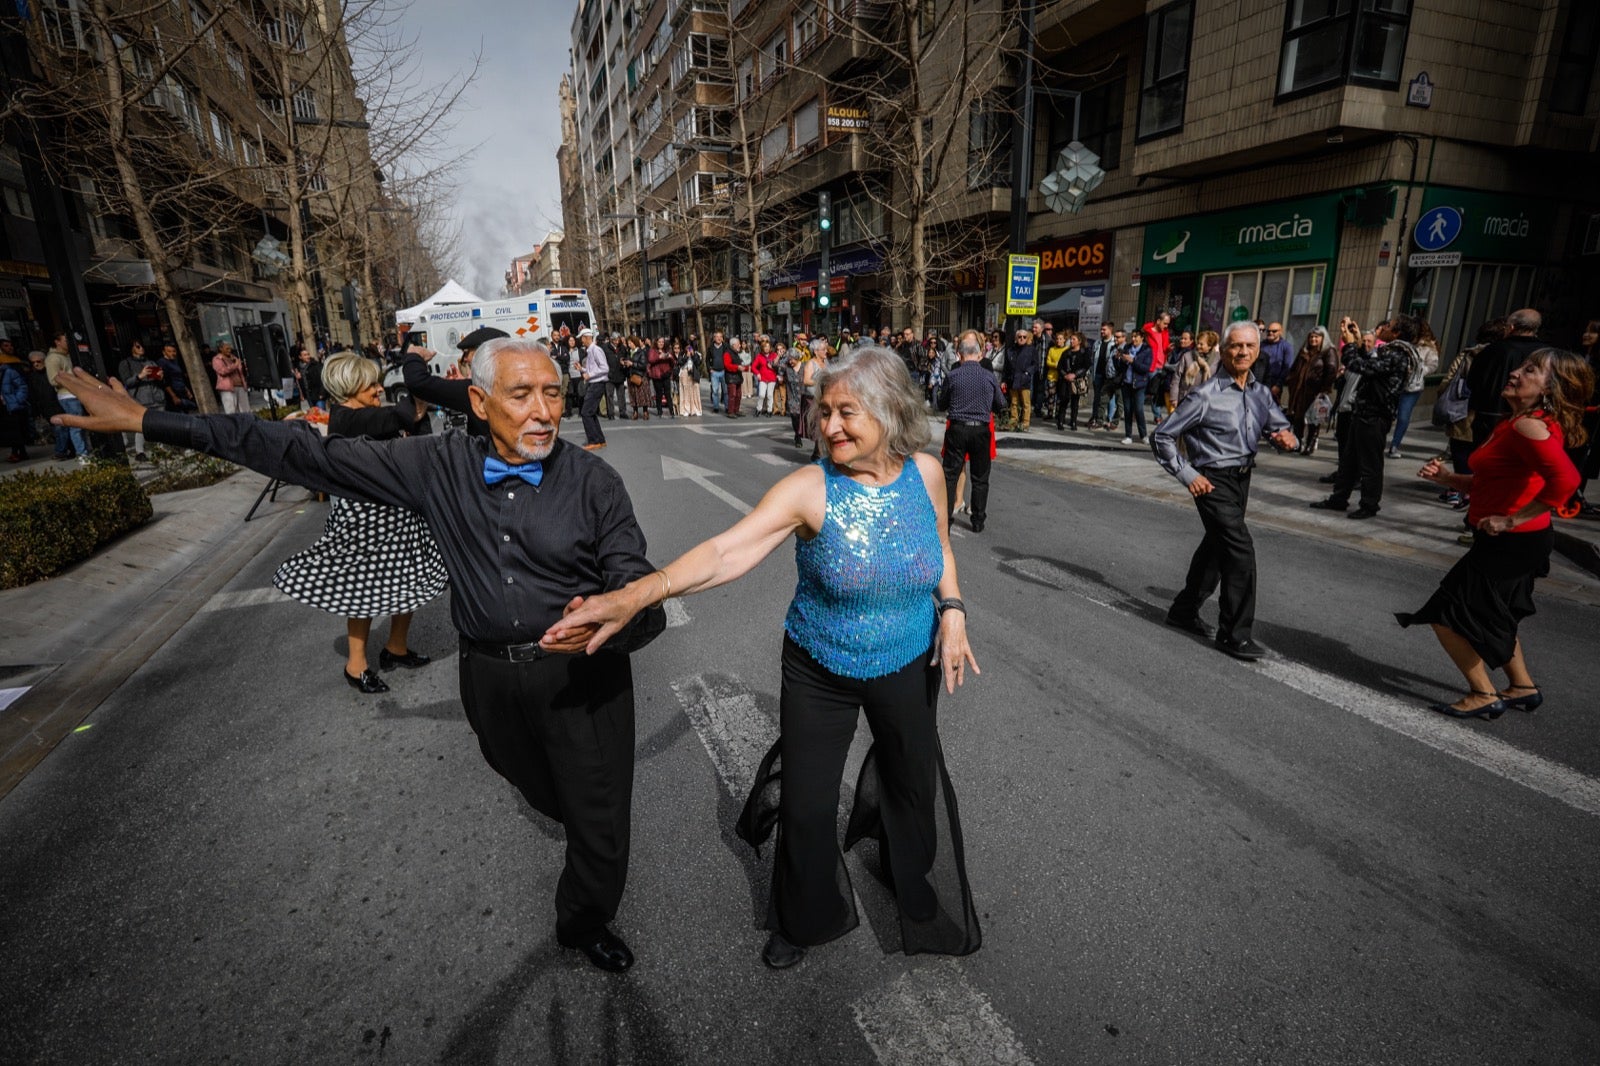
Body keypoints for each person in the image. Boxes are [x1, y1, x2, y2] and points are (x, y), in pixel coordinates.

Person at [54, 337, 667, 974]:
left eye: (553, 394)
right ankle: (576, 813)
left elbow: (634, 578)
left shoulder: (595, 481)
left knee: (598, 819)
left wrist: (623, 609)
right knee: (548, 792)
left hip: (584, 674)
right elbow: (302, 451)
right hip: (487, 677)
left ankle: (584, 920)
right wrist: (152, 421)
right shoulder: (438, 465)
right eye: (522, 395)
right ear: (480, 403)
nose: (544, 411)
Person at [546, 345, 982, 971]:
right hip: (819, 666)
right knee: (806, 804)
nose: (826, 426)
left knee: (912, 784)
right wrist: (638, 593)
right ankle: (801, 917)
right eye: (822, 410)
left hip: (910, 659)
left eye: (845, 413)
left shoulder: (928, 474)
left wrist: (955, 610)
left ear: (890, 414)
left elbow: (937, 547)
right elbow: (728, 551)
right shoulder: (811, 488)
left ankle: (905, 872)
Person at [1397, 348, 1591, 718]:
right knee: (1496, 616)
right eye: (1520, 365)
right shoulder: (1517, 421)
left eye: (1530, 370)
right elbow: (1493, 480)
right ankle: (1521, 686)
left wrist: (1511, 520)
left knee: (1446, 614)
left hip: (1514, 543)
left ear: (1550, 388)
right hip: (1518, 542)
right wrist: (1448, 479)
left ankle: (1483, 693)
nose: (1515, 372)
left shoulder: (1527, 426)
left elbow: (1566, 481)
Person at [272, 354, 446, 693]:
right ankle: (356, 665)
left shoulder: (364, 414)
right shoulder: (348, 419)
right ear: (350, 389)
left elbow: (412, 427)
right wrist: (415, 368)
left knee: (409, 576)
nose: (379, 389)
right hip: (364, 517)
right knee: (362, 588)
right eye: (371, 386)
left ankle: (395, 648)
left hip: (394, 508)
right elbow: (406, 415)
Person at [1153, 320, 1297, 661]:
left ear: (1257, 351)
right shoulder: (1205, 395)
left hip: (1241, 479)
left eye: (1249, 346)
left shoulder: (1260, 394)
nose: (1243, 352)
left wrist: (1287, 439)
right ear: (1224, 349)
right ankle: (1234, 635)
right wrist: (1187, 474)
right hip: (1211, 480)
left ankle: (1183, 611)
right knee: (1240, 551)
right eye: (1236, 345)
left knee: (1217, 549)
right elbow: (1161, 436)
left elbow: (1280, 427)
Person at [1311, 314, 1412, 518]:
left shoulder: (1397, 354)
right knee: (1349, 460)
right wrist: (1356, 340)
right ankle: (1339, 498)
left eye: (1389, 326)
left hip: (1375, 414)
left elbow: (1359, 366)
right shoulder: (1390, 352)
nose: (1382, 328)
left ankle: (1369, 505)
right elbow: (1368, 363)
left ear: (1397, 332)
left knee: (1370, 464)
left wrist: (1349, 345)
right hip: (1363, 412)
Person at [938, 330, 1006, 532]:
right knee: (980, 477)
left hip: (957, 428)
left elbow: (941, 404)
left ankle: (947, 519)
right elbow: (1001, 404)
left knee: (950, 476)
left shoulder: (953, 375)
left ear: (959, 355)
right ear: (979, 355)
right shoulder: (988, 376)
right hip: (980, 430)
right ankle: (978, 520)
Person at [401, 326, 508, 440]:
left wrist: (414, 355)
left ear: (484, 352)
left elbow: (418, 382)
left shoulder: (477, 390)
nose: (464, 359)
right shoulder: (508, 383)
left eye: (467, 353)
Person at [1466, 308, 1544, 447]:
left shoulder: (1493, 350)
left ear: (1511, 327)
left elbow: (1473, 382)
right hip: (1531, 415)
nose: (1515, 374)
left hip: (1492, 415)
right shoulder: (1547, 353)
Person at [1388, 317, 1440, 457]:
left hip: (1413, 387)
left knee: (1403, 416)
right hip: (1396, 383)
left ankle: (1395, 445)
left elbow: (1433, 365)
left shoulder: (1428, 347)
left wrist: (1420, 370)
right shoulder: (1402, 343)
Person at [1281, 326, 1338, 441]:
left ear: (1323, 338)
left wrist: (1325, 388)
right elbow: (1294, 367)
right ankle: (1297, 441)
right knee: (1298, 416)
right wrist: (1290, 380)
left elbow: (1331, 369)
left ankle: (1310, 443)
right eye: (1311, 337)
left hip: (1315, 391)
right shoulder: (1304, 351)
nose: (1313, 339)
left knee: (1314, 418)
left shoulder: (1328, 351)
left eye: (1316, 337)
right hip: (1299, 390)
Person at [43, 333, 90, 461]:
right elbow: (53, 379)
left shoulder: (69, 356)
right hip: (67, 395)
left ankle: (85, 451)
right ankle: (83, 455)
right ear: (57, 342)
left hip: (77, 393)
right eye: (65, 340)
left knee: (84, 424)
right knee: (76, 426)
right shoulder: (53, 358)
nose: (68, 342)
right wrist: (70, 378)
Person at [118, 341, 167, 460]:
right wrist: (140, 376)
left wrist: (160, 377)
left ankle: (161, 448)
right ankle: (140, 451)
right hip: (140, 399)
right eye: (138, 346)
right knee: (141, 426)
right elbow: (126, 382)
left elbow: (162, 381)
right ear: (131, 348)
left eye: (142, 346)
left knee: (160, 424)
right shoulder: (126, 363)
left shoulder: (150, 362)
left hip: (156, 396)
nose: (141, 348)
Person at [24, 350, 65, 456]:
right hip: (46, 407)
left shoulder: (50, 372)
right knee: (57, 430)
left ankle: (61, 451)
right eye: (33, 362)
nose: (36, 364)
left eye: (38, 361)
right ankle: (63, 450)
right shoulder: (32, 377)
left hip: (57, 403)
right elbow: (32, 395)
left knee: (60, 429)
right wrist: (36, 411)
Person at [1118, 329, 1154, 445]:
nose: (1133, 339)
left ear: (1142, 338)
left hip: (1139, 384)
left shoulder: (1147, 350)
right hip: (1126, 383)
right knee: (1128, 410)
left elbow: (1145, 368)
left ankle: (1143, 435)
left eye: (1136, 337)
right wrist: (1120, 359)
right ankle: (1128, 435)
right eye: (1132, 337)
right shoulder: (1127, 348)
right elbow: (1120, 366)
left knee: (1138, 409)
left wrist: (1133, 361)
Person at [579, 327, 608, 450]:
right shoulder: (591, 351)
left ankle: (594, 440)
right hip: (595, 383)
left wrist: (589, 375)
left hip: (597, 384)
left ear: (586, 338)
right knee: (590, 412)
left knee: (586, 413)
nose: (581, 341)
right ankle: (600, 439)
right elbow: (593, 369)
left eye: (582, 338)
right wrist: (583, 369)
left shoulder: (596, 350)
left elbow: (604, 368)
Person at [0, 341, 30, 462]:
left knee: (16, 428)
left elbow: (22, 385)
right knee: (10, 429)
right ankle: (19, 452)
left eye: (10, 345)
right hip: (4, 405)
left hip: (12, 404)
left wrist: (18, 400)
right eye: (6, 346)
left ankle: (19, 452)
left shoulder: (11, 369)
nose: (10, 347)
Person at [1055, 331, 1090, 431]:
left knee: (1075, 402)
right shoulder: (1066, 352)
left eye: (1074, 339)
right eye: (1071, 339)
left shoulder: (1084, 353)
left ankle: (1073, 421)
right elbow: (1059, 366)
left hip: (1077, 381)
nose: (1071, 341)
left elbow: (1086, 366)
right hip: (1065, 380)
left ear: (1079, 341)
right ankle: (1060, 421)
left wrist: (1075, 374)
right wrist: (1065, 375)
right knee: (1064, 401)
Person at [1005, 327, 1037, 431]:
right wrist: (1005, 380)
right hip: (1013, 379)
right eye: (1019, 337)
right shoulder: (1011, 350)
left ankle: (1025, 423)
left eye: (1024, 337)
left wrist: (1028, 372)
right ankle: (1014, 421)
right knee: (1014, 402)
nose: (1022, 339)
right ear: (1016, 338)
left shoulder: (1031, 349)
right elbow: (1007, 366)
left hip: (1024, 379)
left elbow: (1035, 364)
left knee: (1026, 403)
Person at [1088, 323, 1120, 429]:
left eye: (1104, 329)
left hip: (1109, 376)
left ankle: (1109, 419)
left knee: (1109, 398)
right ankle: (1095, 417)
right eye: (1101, 329)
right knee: (1097, 398)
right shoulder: (1097, 343)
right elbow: (1093, 358)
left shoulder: (1113, 344)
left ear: (1110, 330)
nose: (1102, 331)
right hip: (1098, 373)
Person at [1256, 322, 1295, 401]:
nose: (1270, 333)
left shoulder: (1286, 347)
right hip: (1259, 382)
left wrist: (1278, 385)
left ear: (1280, 332)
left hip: (1274, 384)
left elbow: (1287, 367)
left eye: (1274, 331)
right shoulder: (1260, 345)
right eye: (1268, 331)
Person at [156, 342, 196, 412]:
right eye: (169, 351)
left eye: (174, 351)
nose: (172, 353)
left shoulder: (175, 361)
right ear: (164, 352)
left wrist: (186, 390)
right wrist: (173, 396)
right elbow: (165, 381)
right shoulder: (162, 362)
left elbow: (180, 377)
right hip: (173, 394)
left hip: (181, 392)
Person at [211, 341, 249, 414]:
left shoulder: (233, 357)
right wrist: (235, 365)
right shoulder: (217, 359)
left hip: (240, 386)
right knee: (231, 411)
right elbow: (222, 371)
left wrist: (243, 367)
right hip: (228, 389)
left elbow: (240, 370)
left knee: (245, 411)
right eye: (227, 348)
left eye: (230, 348)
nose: (229, 350)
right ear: (220, 349)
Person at [648, 337, 676, 417]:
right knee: (659, 393)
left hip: (666, 374)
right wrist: (659, 357)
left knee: (668, 393)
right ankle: (659, 410)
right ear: (656, 342)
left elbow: (673, 363)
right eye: (659, 342)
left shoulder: (667, 351)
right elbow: (650, 359)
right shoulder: (652, 351)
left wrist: (670, 357)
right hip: (657, 375)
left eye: (662, 342)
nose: (661, 343)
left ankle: (671, 411)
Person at [676, 339, 703, 416]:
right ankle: (686, 409)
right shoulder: (682, 354)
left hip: (694, 374)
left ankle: (696, 409)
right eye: (687, 347)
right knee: (686, 392)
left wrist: (693, 354)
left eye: (690, 347)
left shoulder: (697, 354)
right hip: (684, 373)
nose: (688, 349)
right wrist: (686, 357)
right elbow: (680, 363)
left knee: (695, 391)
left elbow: (698, 363)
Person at [707, 329, 731, 413]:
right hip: (714, 372)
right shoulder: (710, 347)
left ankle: (727, 407)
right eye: (717, 337)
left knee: (726, 391)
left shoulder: (726, 346)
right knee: (715, 391)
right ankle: (716, 407)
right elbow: (707, 360)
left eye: (720, 336)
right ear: (714, 338)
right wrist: (710, 369)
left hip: (724, 371)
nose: (719, 338)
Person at [722, 336, 746, 417]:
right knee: (732, 395)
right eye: (738, 344)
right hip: (731, 377)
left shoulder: (736, 353)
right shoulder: (727, 353)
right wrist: (737, 367)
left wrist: (743, 367)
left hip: (738, 376)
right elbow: (727, 365)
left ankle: (736, 410)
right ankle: (731, 411)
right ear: (733, 345)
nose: (740, 345)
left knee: (738, 395)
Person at [753, 344, 778, 415]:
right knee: (761, 395)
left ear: (770, 348)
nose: (766, 348)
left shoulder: (774, 355)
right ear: (762, 348)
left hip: (772, 378)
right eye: (765, 347)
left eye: (768, 346)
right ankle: (758, 409)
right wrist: (757, 373)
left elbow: (778, 366)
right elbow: (753, 367)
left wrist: (773, 367)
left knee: (770, 395)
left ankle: (769, 410)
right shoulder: (759, 356)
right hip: (763, 378)